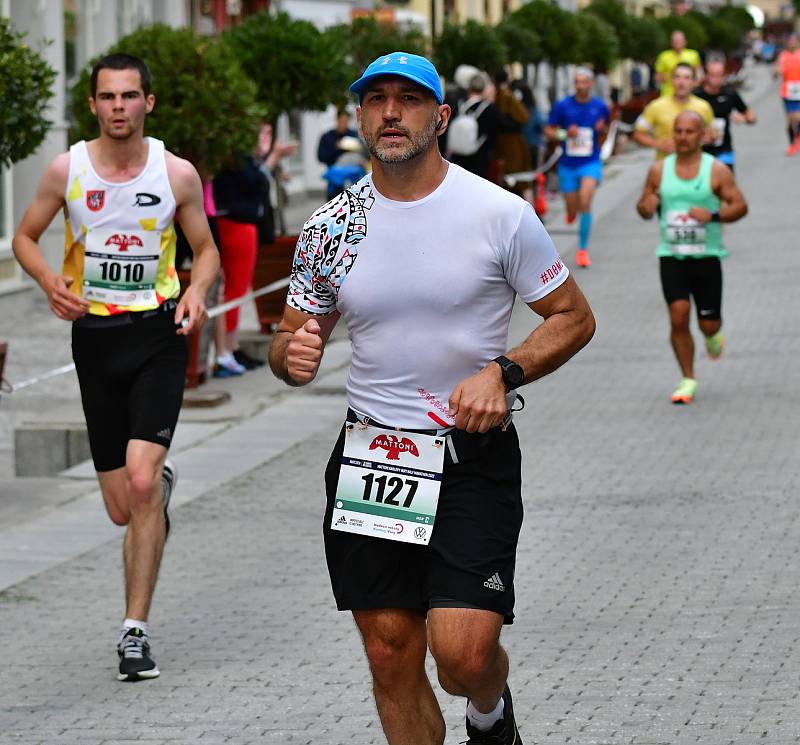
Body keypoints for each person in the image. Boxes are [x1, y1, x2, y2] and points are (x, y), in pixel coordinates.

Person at [268, 51, 595, 745]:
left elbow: (573, 315)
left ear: (440, 116)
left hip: (469, 454)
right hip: (373, 454)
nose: (391, 112)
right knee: (390, 651)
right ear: (358, 116)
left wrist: (502, 372)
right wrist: (290, 354)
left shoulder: (498, 213)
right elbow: (295, 336)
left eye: (409, 99)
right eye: (376, 99)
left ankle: (489, 708)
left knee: (462, 655)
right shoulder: (333, 226)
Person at [12, 53, 219, 680]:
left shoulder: (175, 173)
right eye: (109, 97)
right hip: (95, 342)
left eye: (131, 96)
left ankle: (134, 632)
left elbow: (205, 251)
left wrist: (196, 293)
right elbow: (24, 237)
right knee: (122, 508)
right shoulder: (65, 170)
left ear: (148, 104)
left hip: (157, 335)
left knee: (138, 480)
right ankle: (155, 490)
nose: (120, 107)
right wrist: (50, 282)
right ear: (94, 106)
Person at [636, 111, 747, 404]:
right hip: (671, 255)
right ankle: (687, 378)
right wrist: (647, 206)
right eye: (678, 131)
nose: (683, 137)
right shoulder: (659, 170)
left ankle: (713, 336)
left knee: (708, 324)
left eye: (689, 132)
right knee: (678, 315)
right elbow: (643, 207)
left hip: (707, 255)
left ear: (702, 135)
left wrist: (711, 215)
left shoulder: (717, 170)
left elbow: (740, 206)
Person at [544, 67, 610, 268]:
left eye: (584, 82)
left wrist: (602, 130)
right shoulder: (563, 106)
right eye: (577, 82)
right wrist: (565, 134)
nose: (581, 85)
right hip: (568, 164)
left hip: (590, 161)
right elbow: (549, 131)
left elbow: (607, 128)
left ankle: (582, 249)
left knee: (586, 200)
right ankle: (571, 211)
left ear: (590, 84)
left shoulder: (600, 106)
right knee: (573, 205)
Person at [449, 72, 520, 181]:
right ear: (483, 88)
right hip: (479, 158)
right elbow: (506, 126)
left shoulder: (458, 103)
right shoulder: (489, 108)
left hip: (456, 157)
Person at [633, 63, 714, 160]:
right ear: (672, 80)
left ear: (694, 82)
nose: (681, 82)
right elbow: (637, 134)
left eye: (687, 78)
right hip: (664, 168)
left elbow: (711, 134)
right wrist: (658, 144)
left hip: (695, 167)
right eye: (677, 77)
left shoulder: (704, 107)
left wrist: (709, 137)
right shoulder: (655, 106)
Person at [694, 59, 757, 173]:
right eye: (713, 75)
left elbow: (752, 117)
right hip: (700, 150)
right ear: (706, 76)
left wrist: (744, 119)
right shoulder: (696, 96)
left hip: (724, 148)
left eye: (719, 75)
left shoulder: (729, 94)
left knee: (727, 184)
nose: (716, 79)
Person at [492, 69, 532, 201]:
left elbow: (523, 117)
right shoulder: (502, 95)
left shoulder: (506, 96)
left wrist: (504, 122)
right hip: (506, 145)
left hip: (512, 145)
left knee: (514, 182)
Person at [317, 109, 361, 198]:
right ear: (337, 120)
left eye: (346, 121)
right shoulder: (327, 137)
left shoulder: (353, 135)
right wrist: (336, 148)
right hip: (335, 183)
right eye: (342, 121)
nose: (344, 124)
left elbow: (363, 154)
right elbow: (321, 157)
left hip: (353, 182)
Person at [655, 31, 703, 97]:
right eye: (675, 40)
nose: (677, 42)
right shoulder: (663, 56)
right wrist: (673, 77)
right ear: (671, 43)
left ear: (685, 41)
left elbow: (699, 73)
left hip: (688, 94)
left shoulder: (693, 54)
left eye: (680, 40)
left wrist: (694, 84)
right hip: (668, 94)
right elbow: (657, 76)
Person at [774, 33, 800, 155]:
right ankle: (792, 144)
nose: (791, 43)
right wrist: (776, 72)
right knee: (789, 121)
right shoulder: (783, 56)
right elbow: (776, 73)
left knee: (798, 118)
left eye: (793, 41)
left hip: (799, 90)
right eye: (789, 41)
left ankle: (798, 138)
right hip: (787, 91)